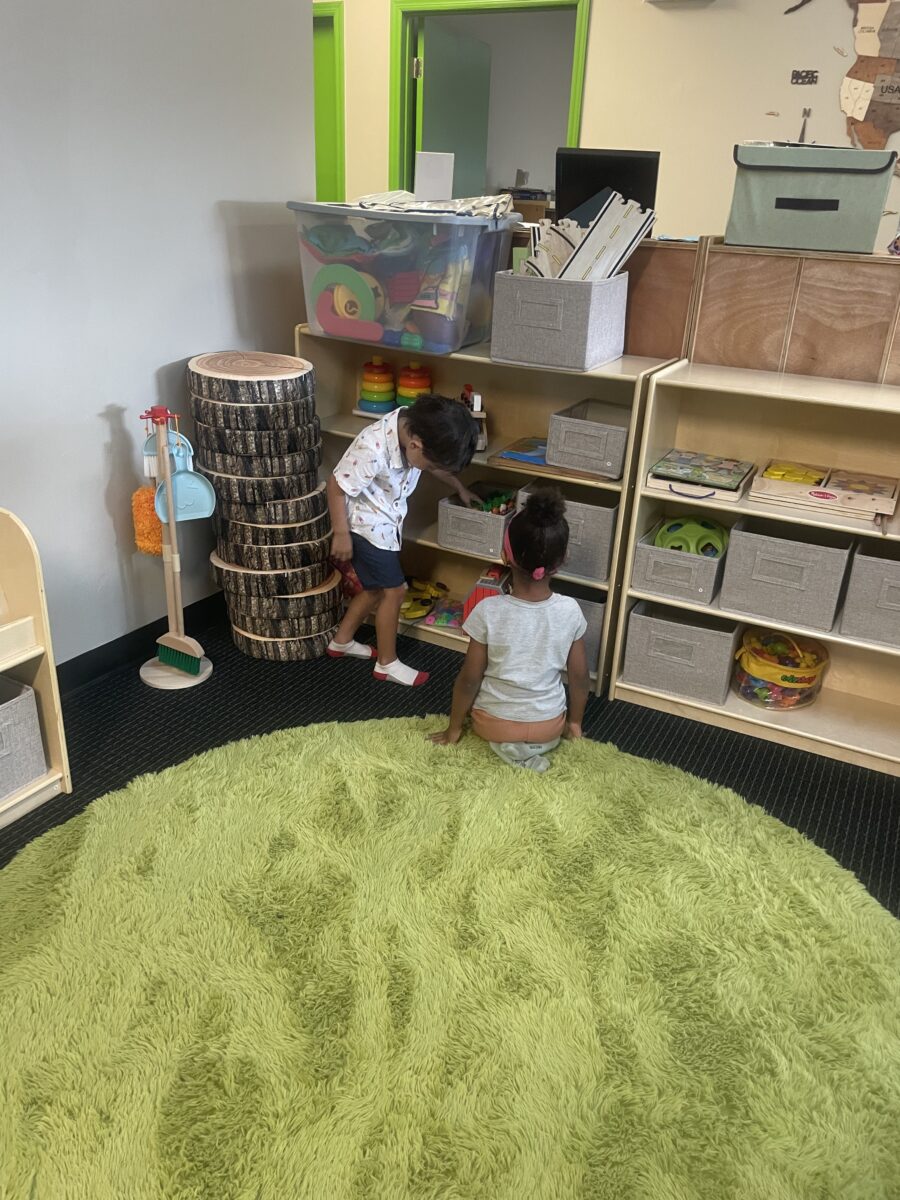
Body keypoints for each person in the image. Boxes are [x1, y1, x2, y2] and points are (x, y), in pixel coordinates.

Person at [429, 488, 590, 770]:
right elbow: (579, 679)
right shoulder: (570, 611)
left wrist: (454, 728)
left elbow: (469, 679)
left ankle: (511, 750)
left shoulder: (488, 611)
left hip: (492, 725)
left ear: (505, 555)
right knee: (546, 727)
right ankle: (529, 751)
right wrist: (573, 724)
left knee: (486, 708)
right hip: (549, 727)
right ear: (562, 560)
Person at [326, 395, 479, 686]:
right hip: (364, 529)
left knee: (373, 590)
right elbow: (336, 486)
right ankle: (387, 663)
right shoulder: (372, 447)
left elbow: (434, 466)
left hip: (386, 525)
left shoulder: (416, 425)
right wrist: (341, 534)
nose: (427, 468)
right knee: (395, 591)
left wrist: (459, 486)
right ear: (415, 446)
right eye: (428, 462)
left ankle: (341, 641)